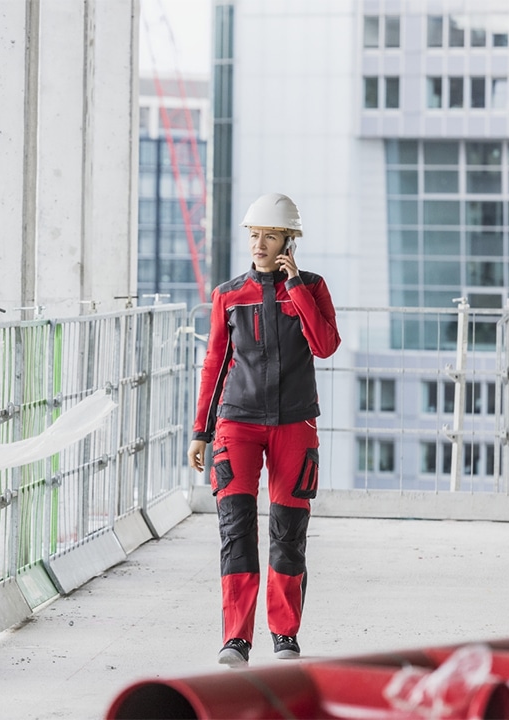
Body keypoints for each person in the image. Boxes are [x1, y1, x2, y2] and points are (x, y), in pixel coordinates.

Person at [187, 192, 340, 666]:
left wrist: (294, 289)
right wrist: (201, 430)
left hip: (295, 422)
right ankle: (236, 639)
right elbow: (214, 363)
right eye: (253, 235)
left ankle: (284, 635)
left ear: (288, 242)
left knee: (288, 531)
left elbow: (325, 345)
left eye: (269, 236)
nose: (258, 244)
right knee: (235, 530)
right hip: (238, 422)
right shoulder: (229, 295)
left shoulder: (312, 288)